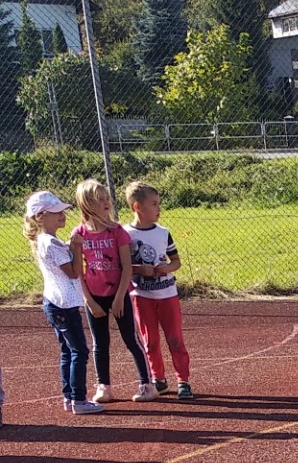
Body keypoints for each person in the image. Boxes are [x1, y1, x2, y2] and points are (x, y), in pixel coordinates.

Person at [71, 177, 151, 405]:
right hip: (94, 297)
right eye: (100, 200)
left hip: (118, 295)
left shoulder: (117, 232)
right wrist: (89, 300)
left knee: (130, 339)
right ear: (87, 204)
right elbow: (79, 272)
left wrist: (119, 297)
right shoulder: (79, 235)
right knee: (100, 342)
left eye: (107, 198)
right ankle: (104, 386)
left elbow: (126, 267)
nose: (107, 203)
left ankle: (146, 383)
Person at [24, 189, 102, 414]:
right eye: (55, 212)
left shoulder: (47, 240)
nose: (62, 215)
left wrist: (69, 246)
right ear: (40, 216)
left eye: (62, 211)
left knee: (68, 351)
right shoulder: (51, 243)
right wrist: (76, 248)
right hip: (63, 304)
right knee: (79, 350)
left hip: (55, 301)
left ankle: (69, 397)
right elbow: (74, 272)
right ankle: (78, 399)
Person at [123, 180, 192, 398]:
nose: (159, 209)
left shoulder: (163, 232)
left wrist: (166, 268)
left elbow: (176, 262)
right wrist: (139, 270)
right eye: (154, 204)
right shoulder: (126, 234)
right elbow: (123, 266)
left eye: (159, 203)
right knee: (149, 341)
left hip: (167, 295)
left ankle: (183, 380)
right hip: (141, 296)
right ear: (137, 207)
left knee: (175, 339)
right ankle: (158, 379)